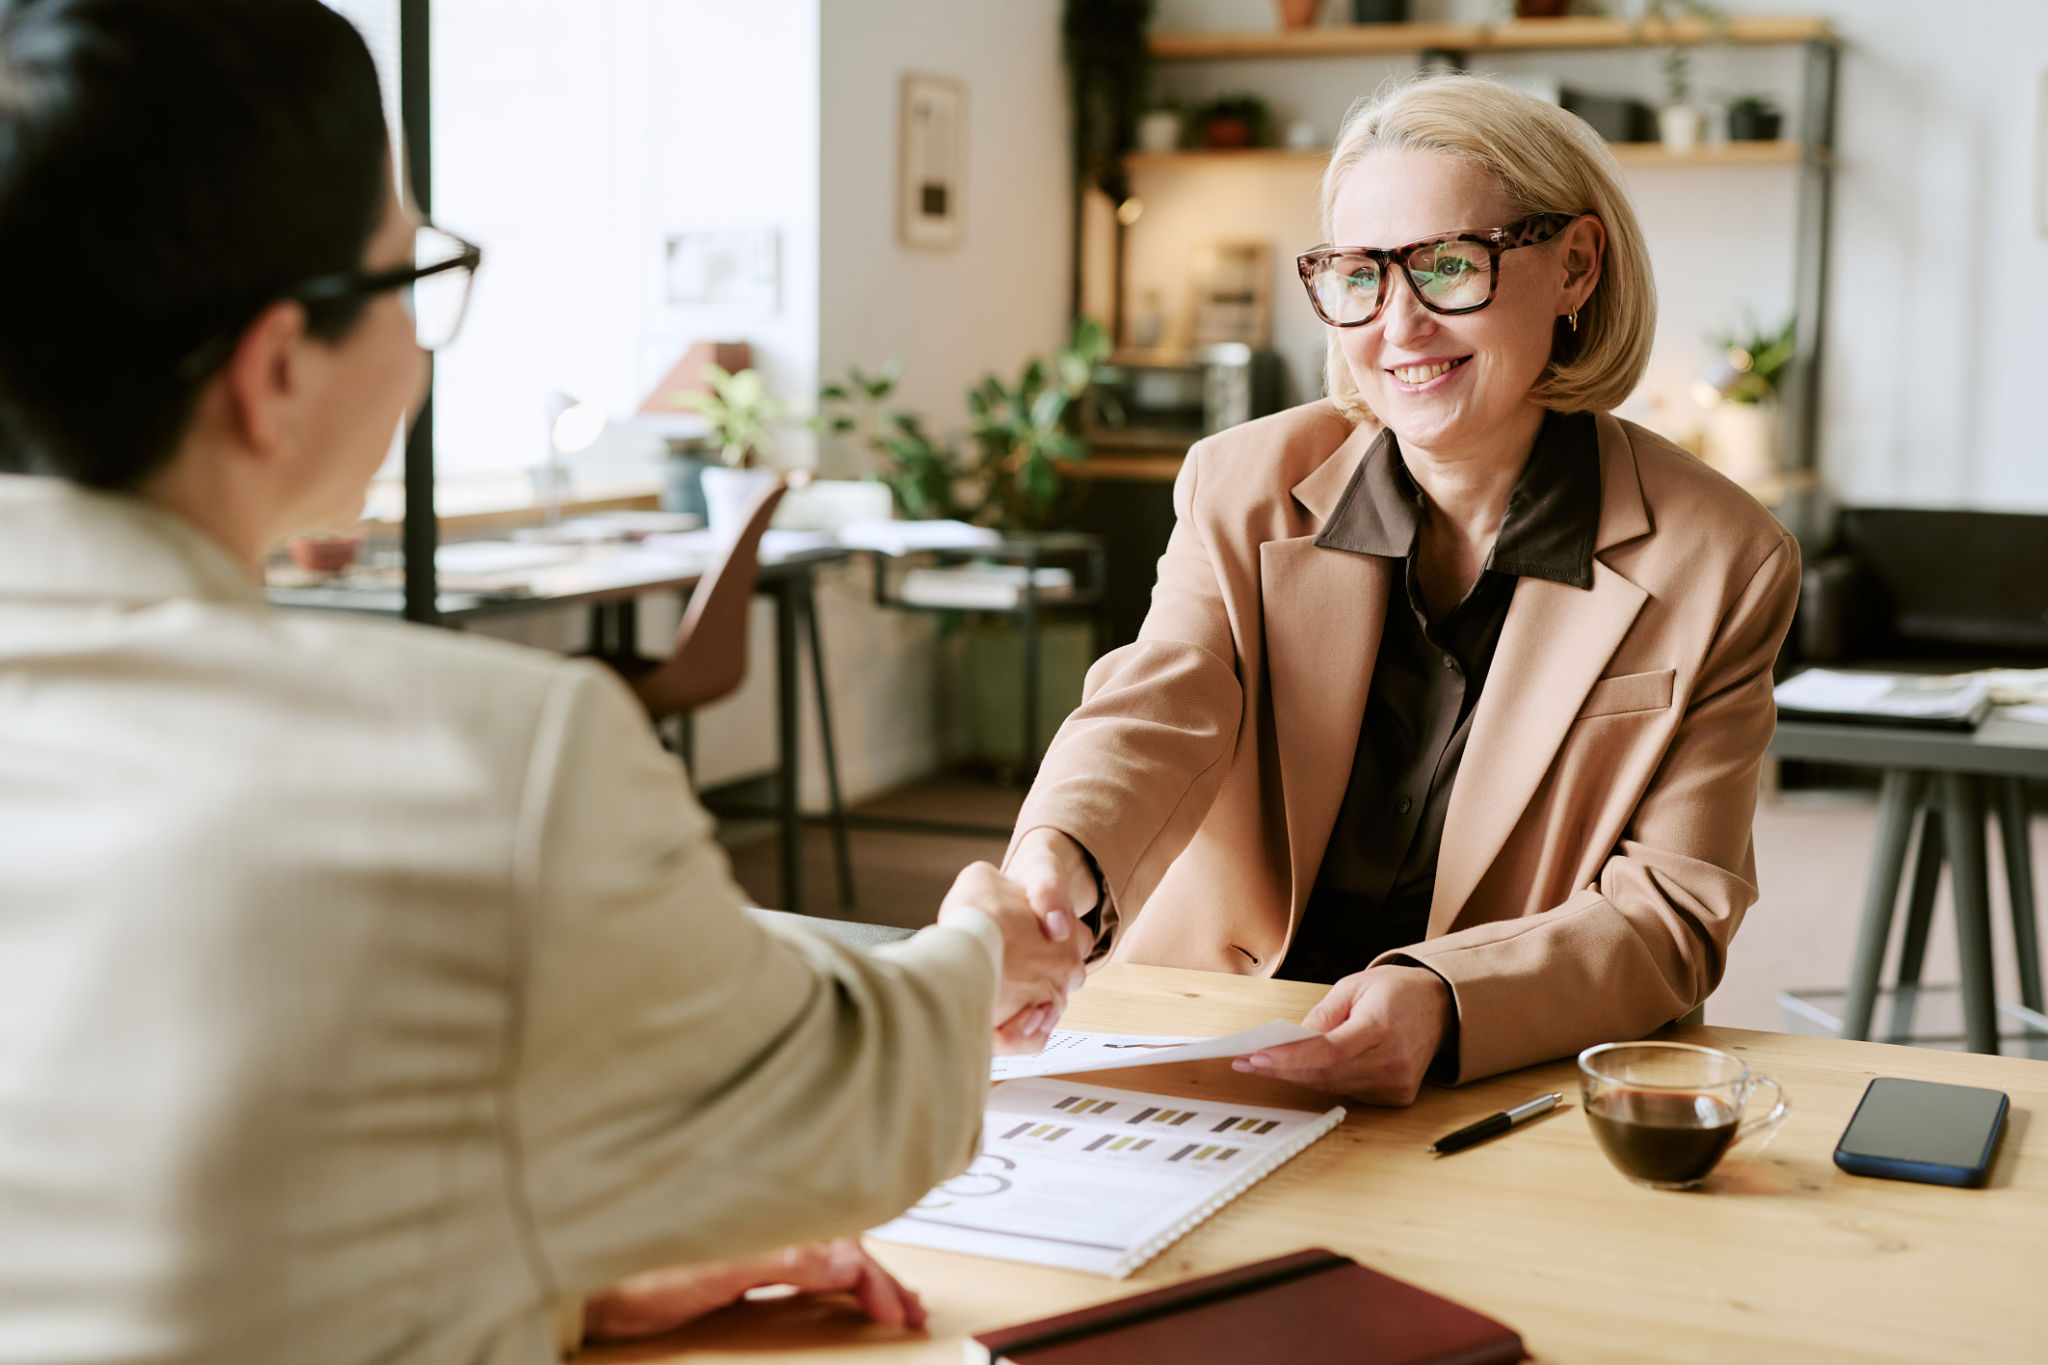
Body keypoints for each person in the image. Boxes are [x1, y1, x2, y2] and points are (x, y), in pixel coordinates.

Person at [0, 2, 1084, 1361]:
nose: (425, 343)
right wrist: (983, 945)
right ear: (277, 368)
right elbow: (849, 1102)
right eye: (412, 279)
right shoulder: (483, 767)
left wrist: (516, 1269)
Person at [1004, 75, 1800, 1106]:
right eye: (1356, 276)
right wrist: (1050, 868)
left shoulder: (1722, 557)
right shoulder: (1237, 483)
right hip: (1219, 1044)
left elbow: (1670, 911)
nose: (1398, 325)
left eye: (1449, 266)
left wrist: (1443, 999)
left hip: (1498, 1075)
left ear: (1574, 266)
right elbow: (1158, 704)